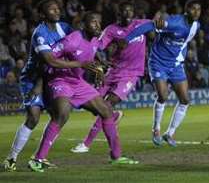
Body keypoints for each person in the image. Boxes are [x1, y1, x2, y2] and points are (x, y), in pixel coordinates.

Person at [28, 12, 139, 172]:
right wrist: (40, 83)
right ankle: (38, 159)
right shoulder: (72, 39)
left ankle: (116, 156)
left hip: (78, 83)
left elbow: (91, 55)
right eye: (93, 22)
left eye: (99, 22)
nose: (98, 26)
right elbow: (49, 59)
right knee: (62, 114)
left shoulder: (95, 40)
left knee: (106, 110)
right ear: (83, 25)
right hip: (61, 79)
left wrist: (99, 67)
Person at [71, 1, 156, 154]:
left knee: (107, 104)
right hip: (113, 71)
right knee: (95, 105)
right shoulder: (111, 30)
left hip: (131, 73)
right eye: (125, 11)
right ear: (119, 14)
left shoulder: (141, 25)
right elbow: (98, 44)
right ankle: (114, 116)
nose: (128, 14)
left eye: (130, 11)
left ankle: (86, 144)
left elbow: (157, 25)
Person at [3, 0, 77, 172]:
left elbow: (77, 45)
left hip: (52, 77)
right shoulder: (40, 33)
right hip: (33, 78)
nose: (57, 11)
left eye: (57, 8)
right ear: (43, 14)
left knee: (61, 115)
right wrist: (38, 85)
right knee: (33, 117)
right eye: (52, 9)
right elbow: (47, 62)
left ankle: (39, 157)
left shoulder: (65, 28)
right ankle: (11, 158)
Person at [126, 0, 201, 148]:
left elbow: (184, 43)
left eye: (199, 9)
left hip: (175, 65)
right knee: (163, 96)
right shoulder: (174, 22)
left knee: (185, 100)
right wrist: (126, 39)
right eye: (193, 9)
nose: (197, 12)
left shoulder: (196, 26)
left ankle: (170, 133)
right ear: (186, 10)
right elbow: (149, 25)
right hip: (158, 62)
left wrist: (181, 57)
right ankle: (156, 130)